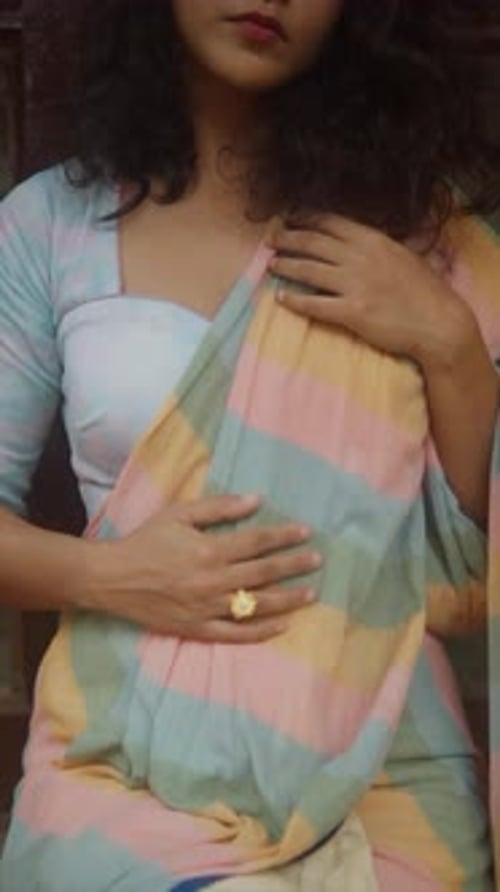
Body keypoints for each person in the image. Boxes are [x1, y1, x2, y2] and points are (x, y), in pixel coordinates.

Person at [1, 1, 500, 888]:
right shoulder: (50, 225)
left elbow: (471, 573)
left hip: (389, 753)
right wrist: (118, 577)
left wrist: (451, 345)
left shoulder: (426, 242)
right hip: (126, 756)